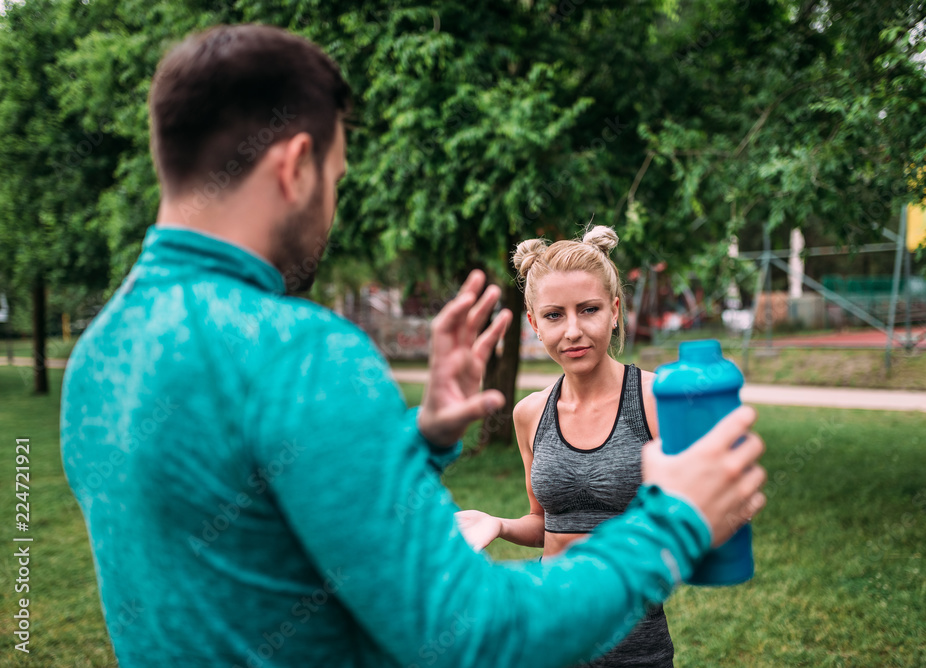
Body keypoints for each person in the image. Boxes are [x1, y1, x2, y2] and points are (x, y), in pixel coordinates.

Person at [60, 24, 767, 668]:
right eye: (335, 179)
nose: (331, 208)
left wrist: (421, 441)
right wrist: (676, 521)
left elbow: (265, 537)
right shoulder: (302, 352)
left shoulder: (97, 357)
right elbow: (479, 634)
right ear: (295, 165)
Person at [456, 227, 682, 666]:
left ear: (614, 311)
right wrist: (498, 524)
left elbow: (694, 520)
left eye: (589, 309)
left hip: (632, 648)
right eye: (555, 315)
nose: (573, 330)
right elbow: (548, 525)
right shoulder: (530, 414)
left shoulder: (656, 401)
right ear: (534, 324)